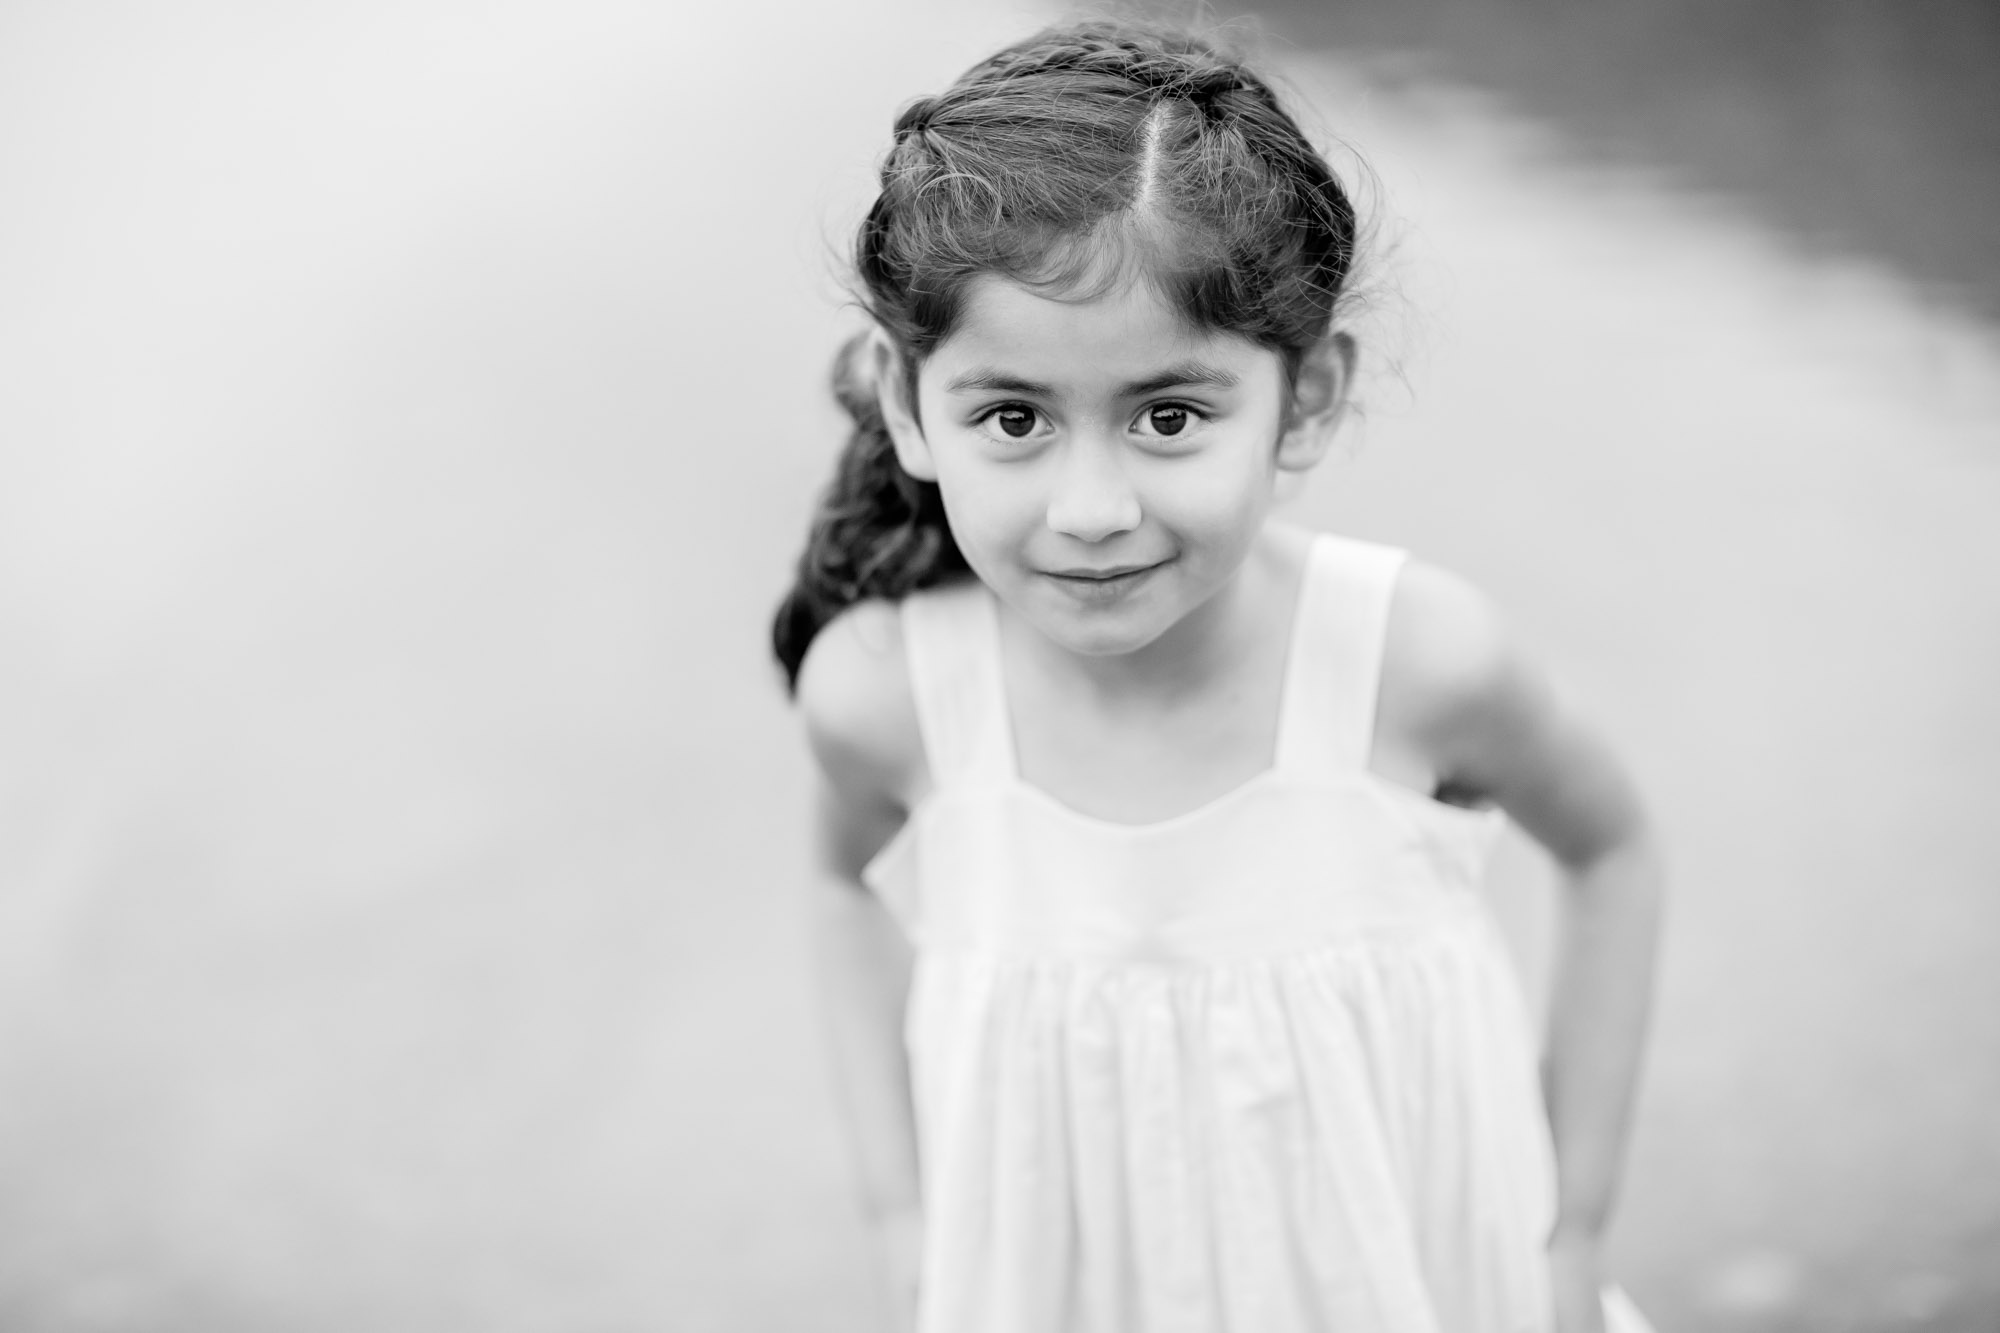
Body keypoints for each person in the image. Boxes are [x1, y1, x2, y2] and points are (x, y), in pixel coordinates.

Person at [772, 19, 1663, 1333]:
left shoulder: (1411, 663)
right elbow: (836, 887)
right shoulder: (892, 696)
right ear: (910, 403)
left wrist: (1572, 1220)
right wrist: (902, 1212)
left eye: (1168, 416)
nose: (1089, 507)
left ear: (1304, 400)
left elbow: (1615, 847)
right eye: (1012, 418)